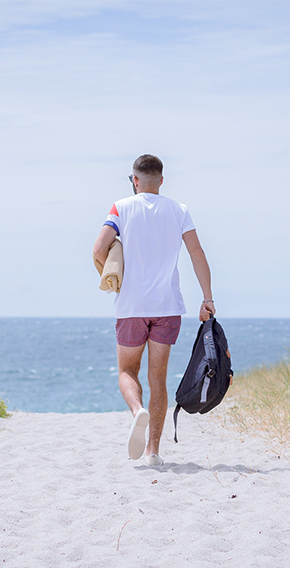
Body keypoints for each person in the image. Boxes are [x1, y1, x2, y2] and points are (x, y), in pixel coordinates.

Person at [92, 154, 215, 466]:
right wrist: (207, 297)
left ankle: (137, 411)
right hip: (167, 307)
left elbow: (97, 248)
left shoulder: (121, 207)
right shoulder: (179, 210)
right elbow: (196, 253)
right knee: (157, 378)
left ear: (135, 181)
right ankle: (153, 452)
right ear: (161, 180)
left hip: (131, 307)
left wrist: (110, 278)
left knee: (126, 371)